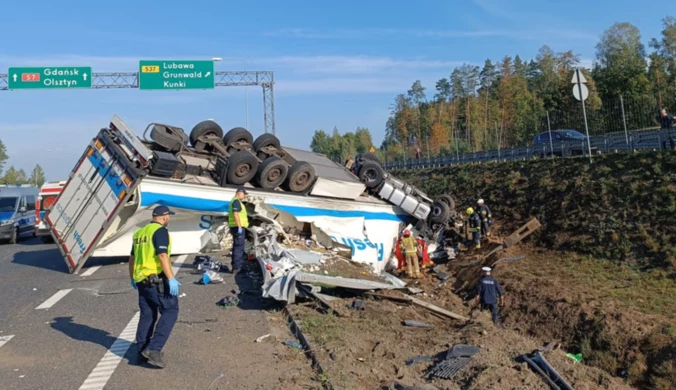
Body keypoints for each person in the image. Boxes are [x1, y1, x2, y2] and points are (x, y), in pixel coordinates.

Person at [129, 205, 180, 369]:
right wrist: (171, 278)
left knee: (148, 314)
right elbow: (162, 255)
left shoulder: (139, 234)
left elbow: (132, 258)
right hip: (156, 279)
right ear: (164, 217)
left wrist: (132, 278)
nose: (169, 219)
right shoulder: (160, 231)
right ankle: (154, 348)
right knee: (170, 311)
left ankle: (141, 351)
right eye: (168, 217)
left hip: (141, 280)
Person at [229, 186, 249, 273]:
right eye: (244, 194)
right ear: (239, 193)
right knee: (239, 247)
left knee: (236, 246)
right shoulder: (236, 202)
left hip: (235, 227)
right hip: (238, 227)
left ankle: (235, 265)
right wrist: (240, 227)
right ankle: (237, 267)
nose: (244, 196)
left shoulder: (235, 201)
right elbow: (236, 214)